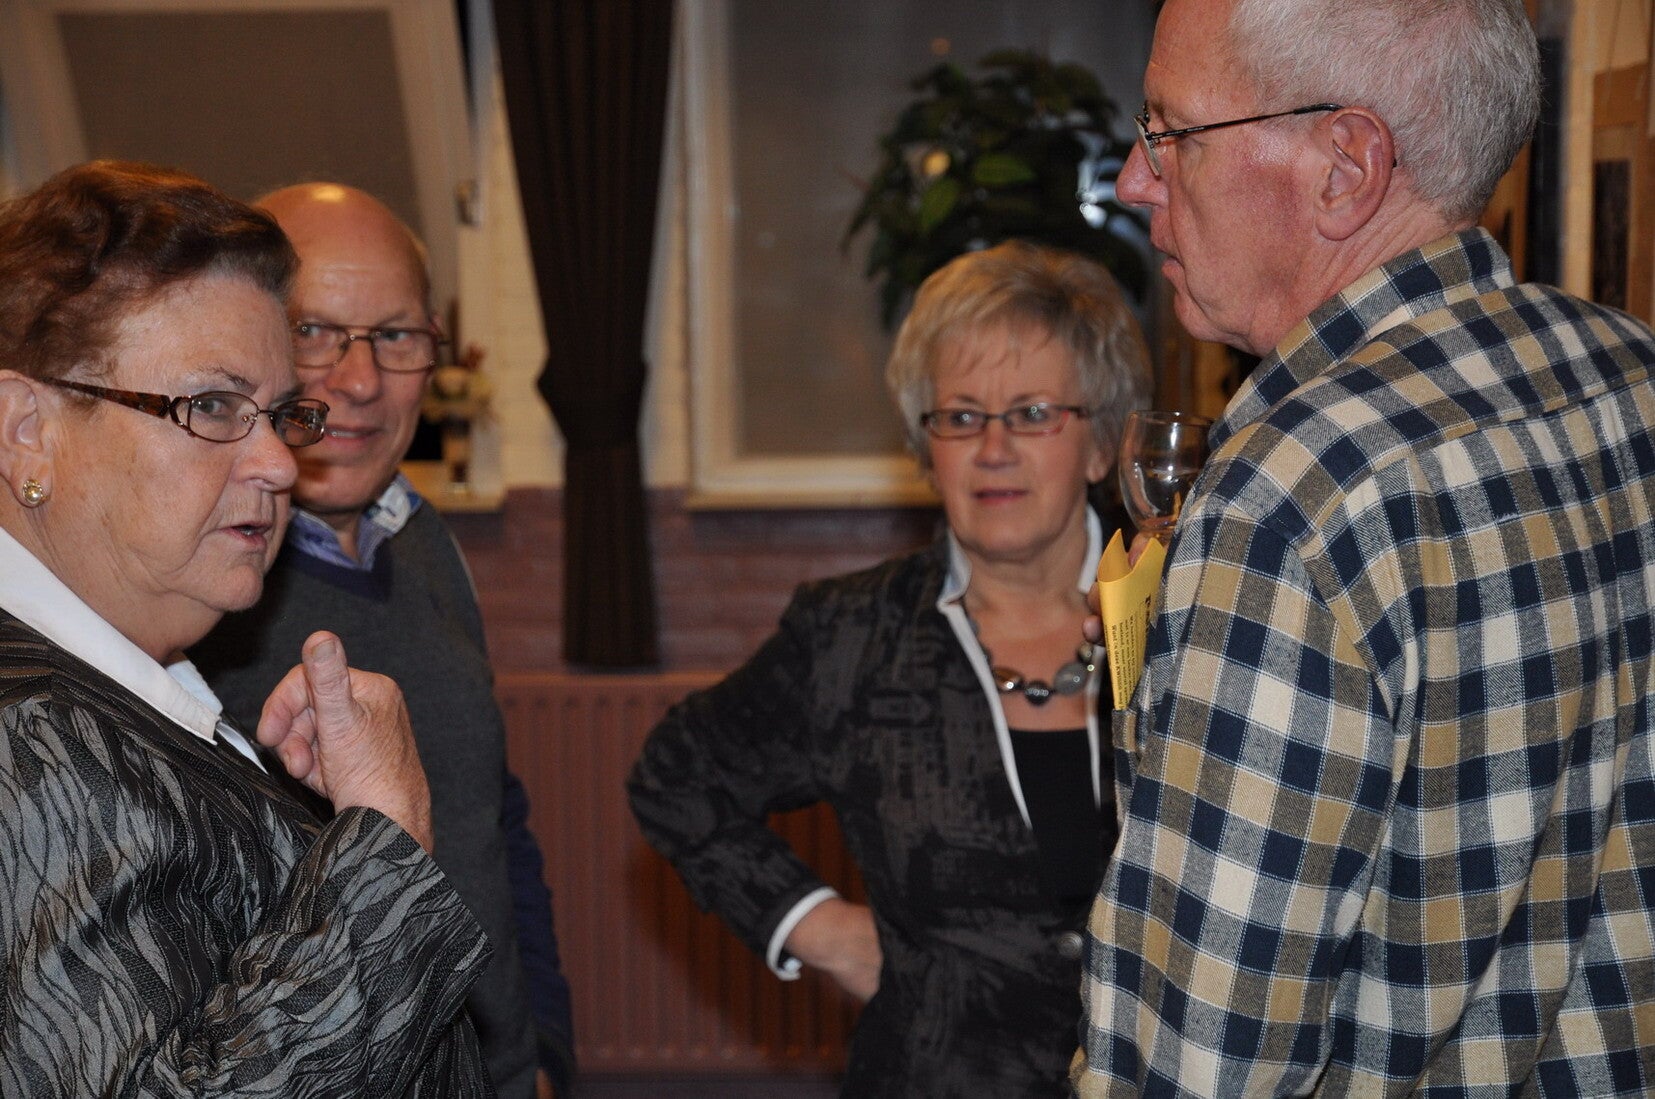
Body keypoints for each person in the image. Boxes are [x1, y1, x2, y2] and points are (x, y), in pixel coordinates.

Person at [1075, 0, 1655, 1094]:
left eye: (1170, 132)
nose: (1137, 180)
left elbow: (1204, 1058)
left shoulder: (1287, 504)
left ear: (1343, 167)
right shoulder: (1627, 372)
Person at [0, 160, 492, 1094]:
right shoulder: (26, 738)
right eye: (213, 406)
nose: (278, 462)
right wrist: (382, 838)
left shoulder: (116, 688)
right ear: (26, 427)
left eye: (279, 413)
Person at [629, 240, 1151, 1097]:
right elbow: (675, 774)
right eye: (960, 417)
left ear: (1099, 445)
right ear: (925, 447)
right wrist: (817, 925)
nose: (992, 447)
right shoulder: (850, 636)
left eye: (1030, 413)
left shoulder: (1182, 614)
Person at [192, 183, 575, 1099]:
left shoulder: (426, 539)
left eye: (395, 335)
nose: (360, 380)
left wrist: (542, 1050)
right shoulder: (199, 583)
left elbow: (489, 815)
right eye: (314, 330)